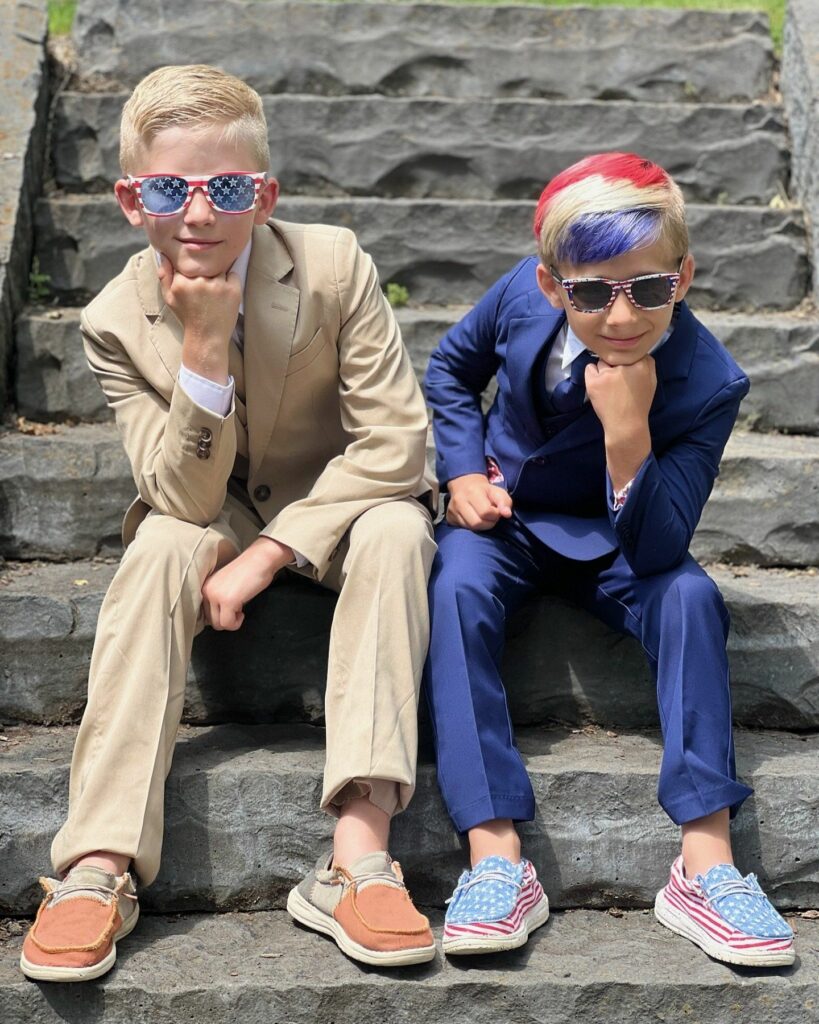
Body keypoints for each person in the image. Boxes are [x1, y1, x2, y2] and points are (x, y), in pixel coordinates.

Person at [20, 64, 438, 981]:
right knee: (162, 541)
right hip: (209, 517)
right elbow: (182, 498)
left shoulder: (333, 264)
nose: (199, 214)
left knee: (402, 529)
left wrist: (275, 552)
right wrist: (204, 346)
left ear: (266, 192)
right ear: (133, 199)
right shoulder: (113, 320)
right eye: (171, 188)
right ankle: (98, 864)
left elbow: (398, 445)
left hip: (340, 509)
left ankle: (358, 855)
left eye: (227, 188)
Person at [422, 152, 794, 967]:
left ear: (684, 276)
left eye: (649, 288)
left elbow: (663, 546)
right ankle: (493, 855)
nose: (621, 315)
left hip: (624, 537)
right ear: (553, 285)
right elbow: (451, 368)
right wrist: (457, 469)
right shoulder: (519, 296)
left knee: (691, 600)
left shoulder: (706, 382)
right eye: (592, 292)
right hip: (507, 518)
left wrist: (628, 440)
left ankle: (705, 861)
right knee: (451, 589)